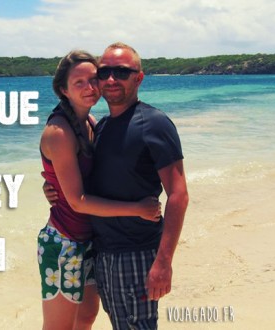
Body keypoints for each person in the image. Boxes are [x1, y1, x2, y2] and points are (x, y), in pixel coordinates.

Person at [44, 42, 189, 329]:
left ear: (139, 77)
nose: (110, 79)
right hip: (101, 252)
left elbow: (179, 195)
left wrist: (163, 262)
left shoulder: (154, 123)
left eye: (121, 72)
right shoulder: (101, 126)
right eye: (105, 72)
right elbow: (82, 180)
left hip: (135, 253)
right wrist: (52, 188)